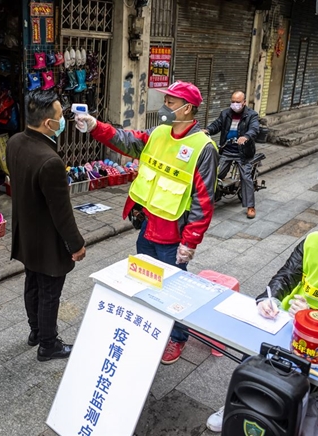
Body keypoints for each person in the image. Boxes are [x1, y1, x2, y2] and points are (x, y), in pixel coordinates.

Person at [206, 189, 318, 432]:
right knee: (253, 361)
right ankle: (239, 405)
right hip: (285, 322)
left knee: (299, 391)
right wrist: (267, 299)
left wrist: (312, 316)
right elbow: (286, 276)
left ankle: (288, 422)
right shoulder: (313, 241)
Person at [75, 81, 219, 365]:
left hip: (173, 237)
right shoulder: (158, 132)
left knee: (174, 290)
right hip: (146, 227)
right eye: (165, 100)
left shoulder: (204, 148)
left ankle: (177, 338)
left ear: (187, 108)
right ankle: (149, 328)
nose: (165, 107)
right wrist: (94, 126)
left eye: (171, 102)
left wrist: (190, 243)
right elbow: (127, 140)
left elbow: (203, 201)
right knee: (144, 282)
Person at [6, 89, 86, 362]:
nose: (63, 120)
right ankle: (48, 345)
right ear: (47, 123)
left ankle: (36, 332)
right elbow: (61, 212)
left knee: (32, 283)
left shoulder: (15, 142)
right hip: (47, 240)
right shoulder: (50, 160)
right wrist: (76, 244)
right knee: (49, 290)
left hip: (26, 234)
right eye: (60, 116)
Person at [203, 91, 261, 219]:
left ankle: (250, 206)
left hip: (243, 152)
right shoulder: (225, 113)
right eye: (233, 101)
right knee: (215, 174)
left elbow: (254, 129)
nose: (235, 104)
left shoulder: (251, 115)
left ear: (244, 102)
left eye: (238, 102)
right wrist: (207, 130)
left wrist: (246, 136)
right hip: (227, 150)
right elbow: (217, 125)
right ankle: (208, 201)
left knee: (246, 177)